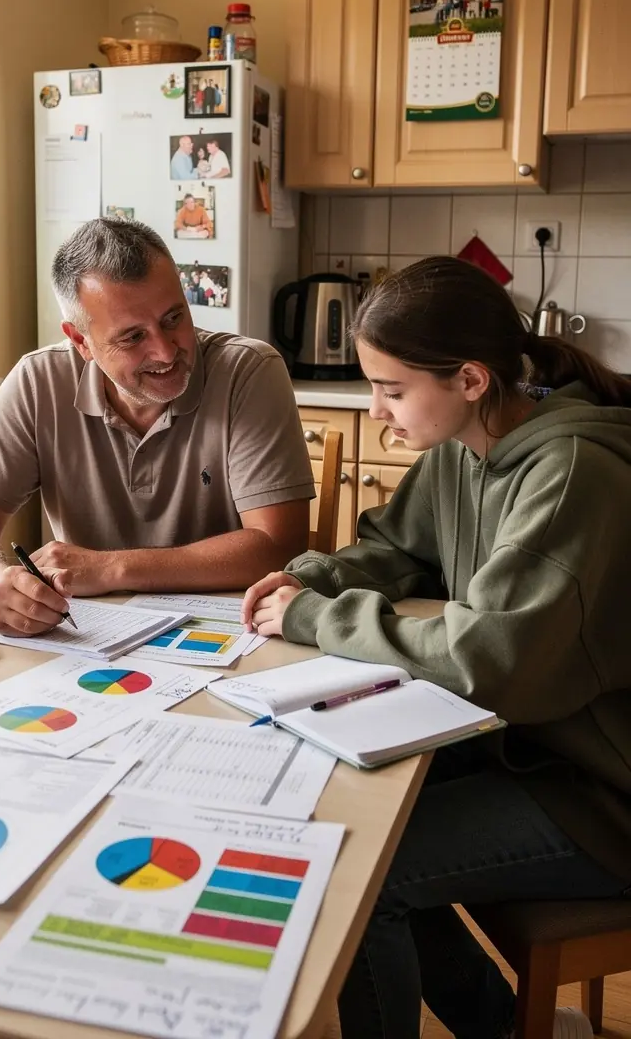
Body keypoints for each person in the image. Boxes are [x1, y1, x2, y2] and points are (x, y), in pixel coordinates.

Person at [242, 256, 631, 1039]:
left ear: (472, 379)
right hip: (521, 744)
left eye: (391, 389)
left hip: (599, 789)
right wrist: (304, 578)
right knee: (328, 804)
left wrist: (316, 618)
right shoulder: (467, 446)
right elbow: (398, 548)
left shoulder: (571, 474)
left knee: (355, 876)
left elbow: (492, 662)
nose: (378, 410)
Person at [0, 219, 314, 636]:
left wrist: (110, 567)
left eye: (174, 317)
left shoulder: (249, 371)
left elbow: (278, 545)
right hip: (91, 639)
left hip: (230, 635)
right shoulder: (37, 382)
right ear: (81, 341)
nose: (166, 351)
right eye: (133, 337)